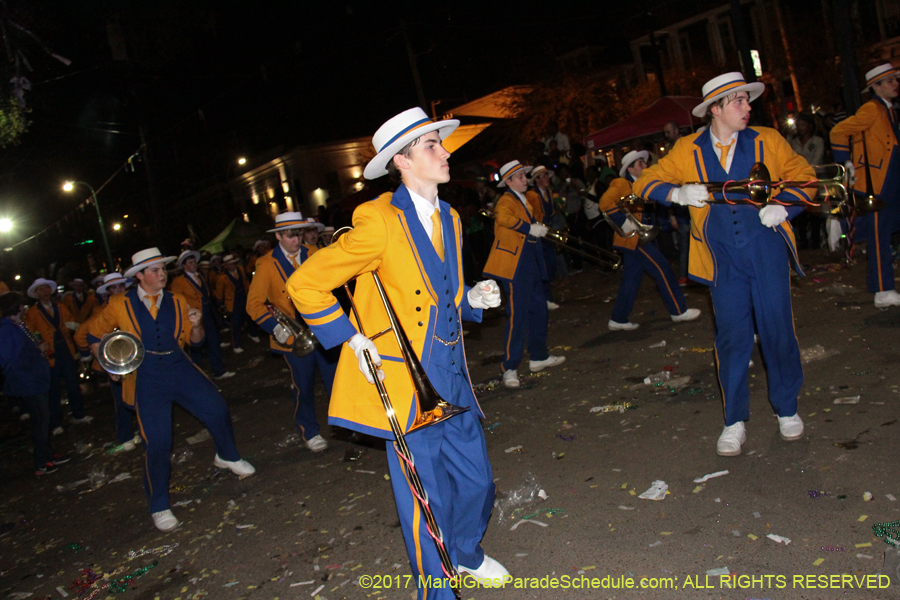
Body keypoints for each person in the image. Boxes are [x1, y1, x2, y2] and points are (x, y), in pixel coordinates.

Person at [286, 107, 508, 595]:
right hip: (406, 381)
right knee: (423, 495)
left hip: (451, 372)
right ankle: (437, 588)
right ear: (402, 161)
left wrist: (470, 300)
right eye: (432, 145)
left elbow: (438, 291)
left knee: (478, 483)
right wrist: (347, 337)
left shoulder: (448, 215)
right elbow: (305, 284)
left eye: (440, 143)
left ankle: (466, 553)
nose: (445, 151)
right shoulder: (378, 220)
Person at [633, 72, 813, 457]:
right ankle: (734, 420)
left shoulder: (768, 139)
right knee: (731, 339)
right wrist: (676, 192)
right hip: (721, 259)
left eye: (747, 101)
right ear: (715, 109)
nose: (748, 107)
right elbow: (642, 184)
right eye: (738, 101)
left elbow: (807, 178)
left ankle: (787, 409)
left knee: (777, 330)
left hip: (765, 250)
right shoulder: (687, 148)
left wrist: (785, 207)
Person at [87, 248, 255, 531]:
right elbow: (92, 334)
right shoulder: (119, 303)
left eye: (163, 269)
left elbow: (197, 342)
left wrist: (198, 324)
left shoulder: (177, 301)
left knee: (216, 408)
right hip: (146, 375)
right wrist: (110, 364)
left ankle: (226, 455)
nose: (162, 274)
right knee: (159, 441)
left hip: (179, 366)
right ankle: (159, 505)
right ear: (139, 276)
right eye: (154, 270)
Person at [245, 212, 337, 453]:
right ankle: (309, 431)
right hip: (293, 337)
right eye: (289, 236)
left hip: (322, 328)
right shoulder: (266, 264)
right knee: (303, 385)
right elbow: (253, 304)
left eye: (297, 234)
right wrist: (275, 328)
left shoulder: (313, 254)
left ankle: (347, 425)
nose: (295, 241)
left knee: (336, 381)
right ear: (277, 236)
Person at [483, 160, 566, 389]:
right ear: (508, 182)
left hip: (529, 264)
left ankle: (539, 356)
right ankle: (509, 367)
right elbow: (503, 219)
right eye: (519, 177)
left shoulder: (524, 199)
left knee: (539, 310)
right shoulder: (506, 200)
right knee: (517, 316)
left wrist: (538, 228)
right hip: (514, 266)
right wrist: (528, 227)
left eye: (524, 176)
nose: (524, 180)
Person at [601, 150, 701, 330]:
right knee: (663, 269)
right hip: (633, 239)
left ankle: (618, 318)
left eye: (644, 163)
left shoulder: (642, 183)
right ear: (630, 168)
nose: (645, 166)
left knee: (631, 279)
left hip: (642, 237)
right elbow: (605, 202)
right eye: (640, 163)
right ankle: (678, 311)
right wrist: (624, 222)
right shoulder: (622, 182)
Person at [830, 63, 900, 307]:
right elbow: (838, 131)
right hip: (878, 182)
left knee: (884, 232)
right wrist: (845, 162)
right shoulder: (872, 109)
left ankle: (842, 224)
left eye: (895, 79)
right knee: (880, 236)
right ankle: (882, 290)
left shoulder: (888, 110)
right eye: (890, 81)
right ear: (876, 87)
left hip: (890, 179)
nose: (895, 84)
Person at [0, 291, 69, 476]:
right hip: (27, 382)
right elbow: (9, 359)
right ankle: (41, 461)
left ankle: (47, 453)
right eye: (21, 304)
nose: (24, 307)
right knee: (40, 420)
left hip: (35, 380)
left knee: (43, 419)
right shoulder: (7, 329)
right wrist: (36, 352)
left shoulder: (17, 325)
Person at [75, 273, 139, 451]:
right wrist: (95, 354)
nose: (118, 290)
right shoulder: (101, 311)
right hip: (116, 361)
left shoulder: (135, 304)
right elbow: (85, 334)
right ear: (108, 291)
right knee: (121, 399)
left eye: (121, 286)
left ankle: (143, 430)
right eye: (114, 288)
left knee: (142, 395)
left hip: (136, 357)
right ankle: (125, 436)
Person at [23, 278, 92, 434]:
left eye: (47, 288)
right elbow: (30, 333)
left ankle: (78, 414)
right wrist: (38, 345)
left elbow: (69, 322)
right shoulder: (33, 312)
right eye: (41, 289)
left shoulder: (60, 307)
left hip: (65, 349)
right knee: (53, 389)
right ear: (36, 293)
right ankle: (55, 422)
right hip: (49, 353)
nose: (45, 292)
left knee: (73, 383)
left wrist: (79, 328)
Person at [170, 250, 234, 379]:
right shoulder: (178, 281)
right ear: (183, 266)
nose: (194, 264)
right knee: (195, 349)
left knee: (213, 342)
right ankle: (196, 376)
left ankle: (219, 371)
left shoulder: (199, 276)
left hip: (206, 314)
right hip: (193, 318)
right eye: (190, 262)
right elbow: (176, 301)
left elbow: (206, 295)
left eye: (194, 262)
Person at [527, 165, 560, 309]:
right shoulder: (532, 195)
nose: (547, 178)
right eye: (544, 176)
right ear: (537, 180)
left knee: (551, 265)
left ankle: (545, 296)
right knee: (543, 267)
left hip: (548, 233)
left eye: (547, 175)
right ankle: (546, 298)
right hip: (538, 234)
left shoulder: (550, 193)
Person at [216, 254, 253, 353]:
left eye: (233, 263)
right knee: (236, 323)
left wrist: (250, 292)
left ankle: (252, 333)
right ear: (226, 266)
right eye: (229, 264)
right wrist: (220, 303)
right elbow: (219, 292)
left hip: (243, 297)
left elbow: (245, 282)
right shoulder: (222, 277)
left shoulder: (240, 269)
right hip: (233, 302)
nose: (232, 266)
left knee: (249, 316)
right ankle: (236, 345)